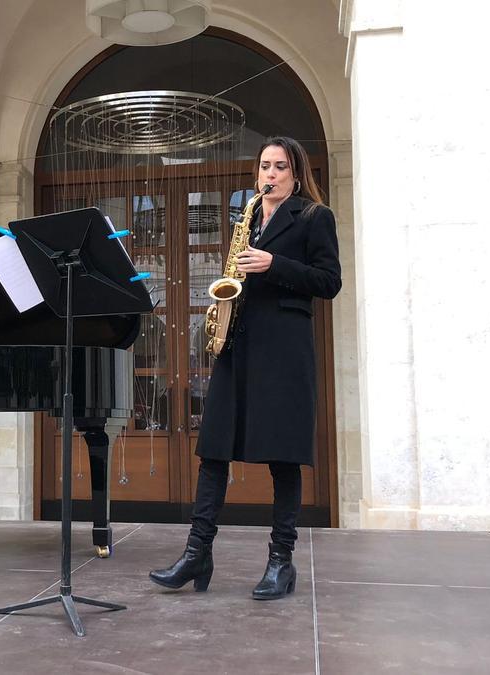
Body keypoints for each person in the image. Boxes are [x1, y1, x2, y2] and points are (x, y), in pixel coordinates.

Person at [149, 136, 341, 599]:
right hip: (239, 344)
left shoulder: (315, 216)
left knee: (283, 455)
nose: (270, 175)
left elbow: (329, 282)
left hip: (284, 349)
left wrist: (274, 263)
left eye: (279, 167)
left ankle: (281, 561)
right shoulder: (248, 218)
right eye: (264, 167)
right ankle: (197, 554)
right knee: (213, 448)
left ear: (296, 174)